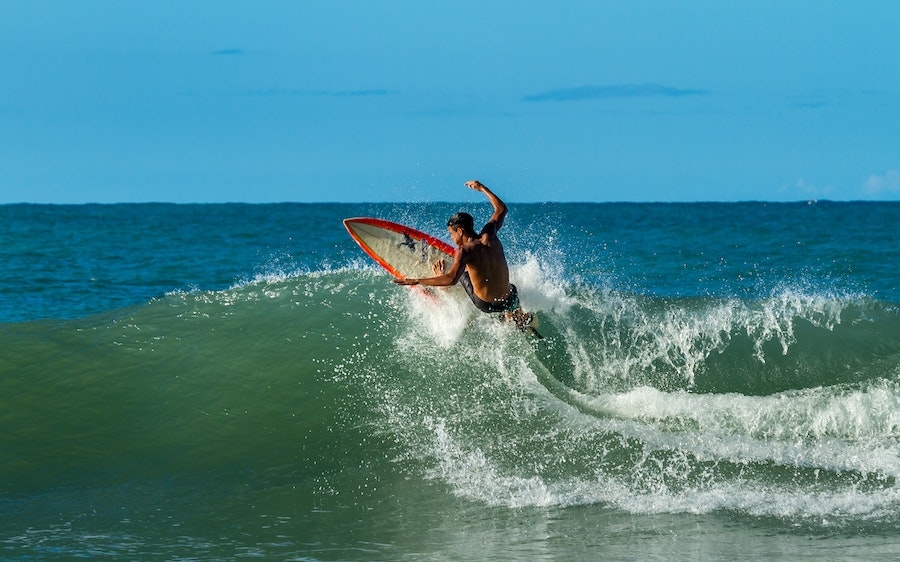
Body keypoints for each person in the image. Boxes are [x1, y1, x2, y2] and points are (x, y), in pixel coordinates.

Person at [393, 180, 537, 333]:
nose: (451, 238)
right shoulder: (490, 234)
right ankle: (516, 315)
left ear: (460, 231)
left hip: (485, 304)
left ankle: (443, 290)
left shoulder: (464, 251)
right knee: (512, 288)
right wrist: (482, 188)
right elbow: (501, 209)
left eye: (451, 234)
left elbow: (451, 279)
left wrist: (416, 280)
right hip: (508, 299)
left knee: (461, 273)